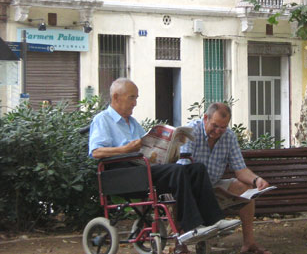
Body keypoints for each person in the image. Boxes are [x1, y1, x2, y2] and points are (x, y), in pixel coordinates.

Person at [88, 78, 239, 251]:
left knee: (196, 169)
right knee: (179, 171)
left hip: (143, 170)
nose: (135, 103)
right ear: (116, 97)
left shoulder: (133, 123)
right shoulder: (103, 120)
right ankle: (191, 226)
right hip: (122, 174)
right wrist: (125, 149)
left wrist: (171, 148)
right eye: (132, 98)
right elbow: (96, 152)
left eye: (136, 98)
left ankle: (214, 221)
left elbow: (147, 150)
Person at [181, 102, 272, 254]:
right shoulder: (190, 131)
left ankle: (249, 243)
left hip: (214, 185)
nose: (217, 131)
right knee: (180, 190)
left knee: (245, 189)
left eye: (222, 127)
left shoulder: (229, 136)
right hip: (191, 188)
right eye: (215, 125)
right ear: (205, 118)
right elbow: (183, 169)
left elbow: (240, 169)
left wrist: (257, 180)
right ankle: (182, 246)